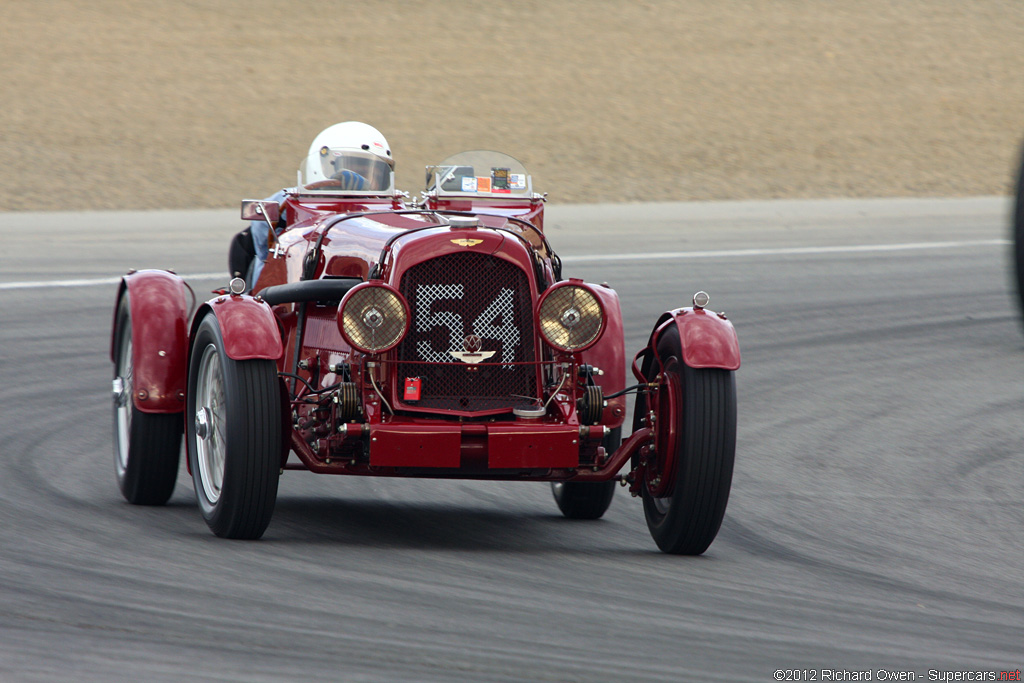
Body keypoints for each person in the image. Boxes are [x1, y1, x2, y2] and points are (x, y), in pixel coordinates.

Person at [229, 121, 395, 287]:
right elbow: (262, 235)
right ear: (324, 164)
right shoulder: (295, 201)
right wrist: (327, 188)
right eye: (358, 169)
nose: (367, 180)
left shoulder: (388, 210)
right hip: (291, 294)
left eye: (377, 174)